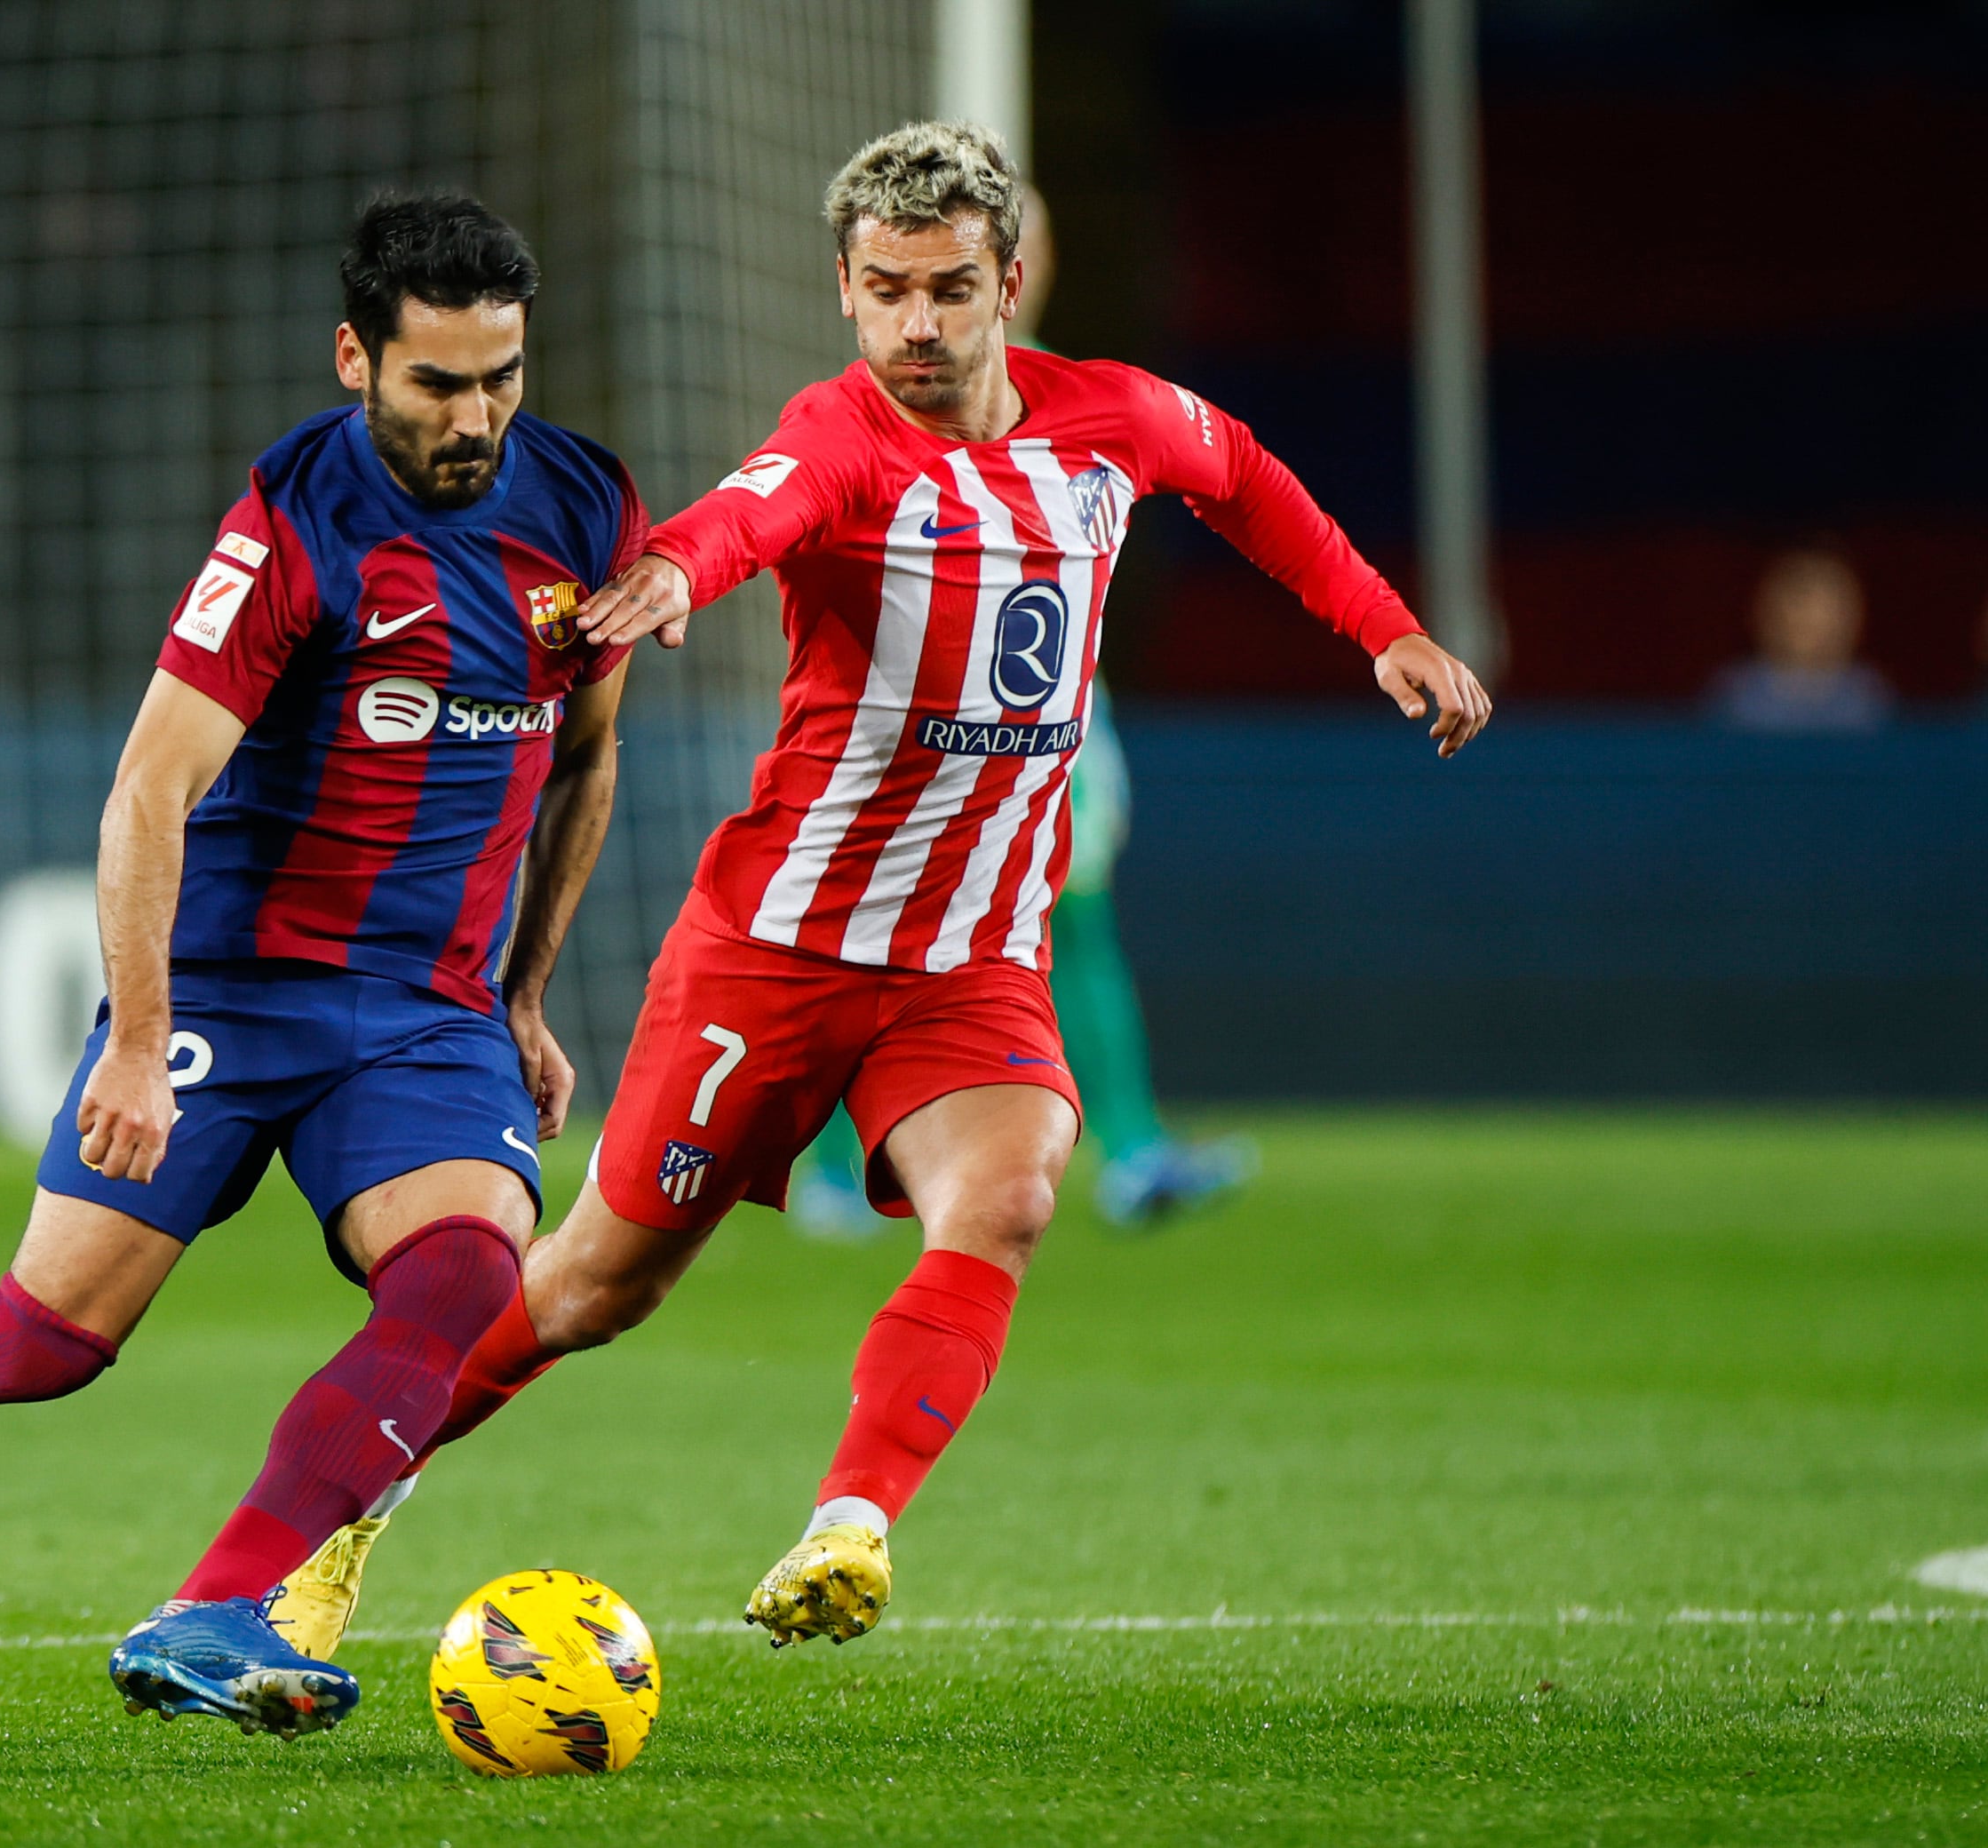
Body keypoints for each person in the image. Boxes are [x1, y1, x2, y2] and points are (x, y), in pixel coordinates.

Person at [279, 120, 1491, 1654]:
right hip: (775, 953)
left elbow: (1243, 473)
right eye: (887, 290)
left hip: (971, 960)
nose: (918, 324)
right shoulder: (844, 438)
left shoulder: (1111, 422)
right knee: (590, 1285)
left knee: (1010, 1196)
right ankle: (328, 1521)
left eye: (950, 289)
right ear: (843, 291)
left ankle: (848, 1526)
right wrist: (670, 575)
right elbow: (751, 512)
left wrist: (1380, 626)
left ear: (1009, 281)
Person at [0, 193, 646, 1740]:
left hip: (420, 1014)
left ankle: (216, 1606)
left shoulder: (583, 507)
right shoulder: (290, 529)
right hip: (234, 993)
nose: (477, 418)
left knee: (461, 1273)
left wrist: (521, 992)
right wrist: (138, 1039)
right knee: (45, 1342)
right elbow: (147, 791)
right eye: (438, 384)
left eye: (502, 377)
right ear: (355, 361)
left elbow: (587, 756)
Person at [784, 181, 1251, 1237]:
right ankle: (825, 1167)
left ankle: (1131, 1149)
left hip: (1053, 723)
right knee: (865, 943)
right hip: (913, 736)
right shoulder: (888, 403)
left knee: (1075, 922)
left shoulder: (1070, 404)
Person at [1709, 547, 1892, 733]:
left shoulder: (1869, 698)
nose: (1811, 617)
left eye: (1829, 604)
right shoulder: (1735, 695)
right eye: (1799, 599)